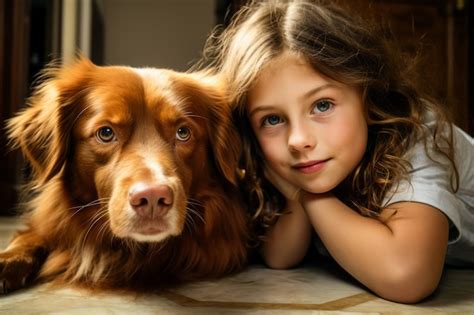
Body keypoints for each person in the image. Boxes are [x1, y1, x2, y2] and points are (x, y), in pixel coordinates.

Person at [197, 0, 474, 304]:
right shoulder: (295, 160)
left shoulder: (417, 132)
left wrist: (309, 196)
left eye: (322, 105)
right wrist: (303, 194)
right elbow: (280, 255)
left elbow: (406, 275)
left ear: (368, 94)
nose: (298, 140)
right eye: (272, 119)